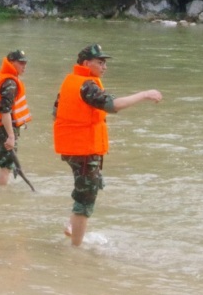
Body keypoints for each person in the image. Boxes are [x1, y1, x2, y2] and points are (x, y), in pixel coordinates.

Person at [53, 44, 162, 247]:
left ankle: (71, 227)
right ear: (87, 64)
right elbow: (113, 106)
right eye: (100, 63)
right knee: (85, 199)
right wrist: (145, 94)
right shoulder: (87, 86)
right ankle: (76, 248)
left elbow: (56, 112)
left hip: (73, 148)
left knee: (86, 188)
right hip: (83, 149)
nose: (105, 67)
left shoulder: (70, 82)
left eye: (105, 63)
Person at [0, 49, 32, 185]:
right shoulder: (9, 83)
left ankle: (0, 193)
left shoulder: (1, 76)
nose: (24, 66)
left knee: (5, 164)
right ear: (11, 63)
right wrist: (11, 136)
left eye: (25, 63)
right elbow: (5, 111)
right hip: (4, 129)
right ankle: (0, 196)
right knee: (6, 166)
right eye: (21, 63)